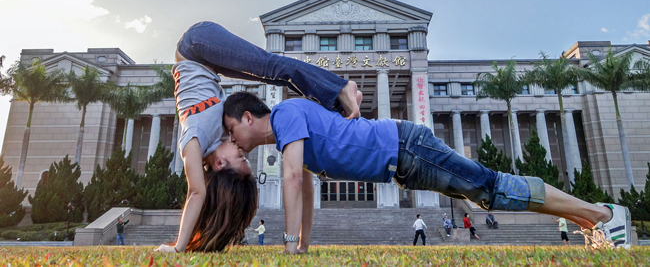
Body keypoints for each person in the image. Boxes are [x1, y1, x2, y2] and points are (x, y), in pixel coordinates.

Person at [223, 92, 633, 252]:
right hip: (402, 163)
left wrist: (290, 244)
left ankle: (604, 215)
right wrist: (302, 246)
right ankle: (593, 220)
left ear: (246, 117)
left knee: (490, 189)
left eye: (230, 130)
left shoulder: (285, 114)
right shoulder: (289, 136)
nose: (232, 140)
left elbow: (293, 181)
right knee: (487, 192)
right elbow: (305, 189)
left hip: (407, 148)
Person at [156, 22, 361, 253]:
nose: (240, 148)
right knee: (273, 76)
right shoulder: (221, 139)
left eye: (240, 158)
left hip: (193, 47)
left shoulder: (193, 143)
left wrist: (179, 246)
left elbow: (196, 192)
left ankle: (343, 88)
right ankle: (338, 103)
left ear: (220, 163)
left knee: (269, 66)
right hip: (209, 62)